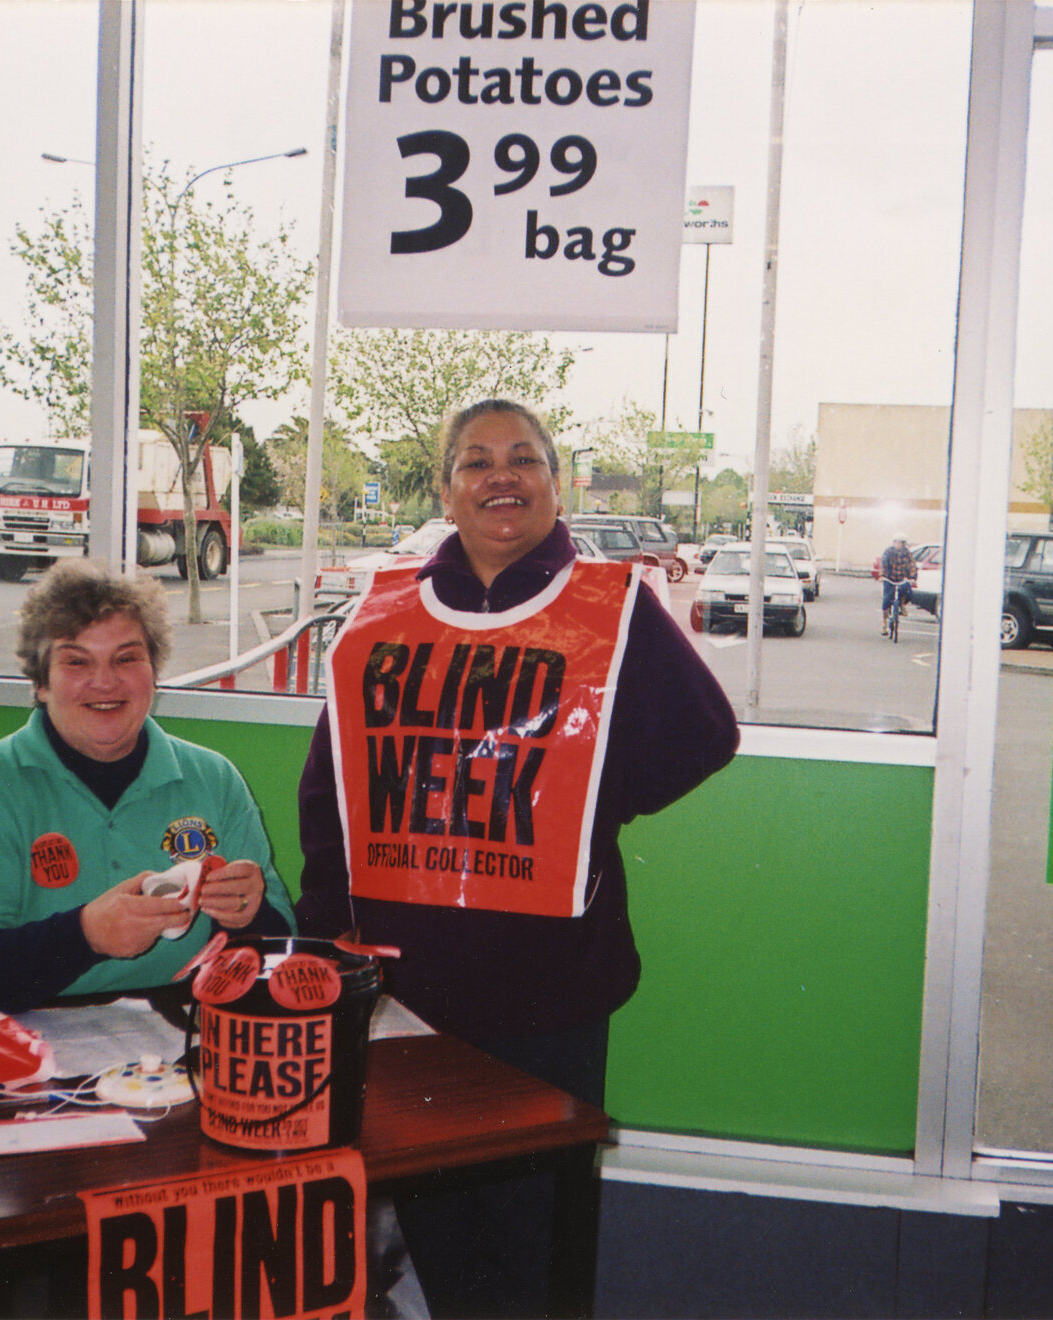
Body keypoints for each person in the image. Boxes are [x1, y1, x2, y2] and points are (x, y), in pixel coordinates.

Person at [295, 398, 738, 1316]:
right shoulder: (382, 614)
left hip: (554, 994)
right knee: (441, 1243)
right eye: (476, 461)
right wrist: (328, 926)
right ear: (446, 492)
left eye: (523, 458)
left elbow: (705, 734)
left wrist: (587, 801)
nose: (502, 476)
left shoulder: (613, 606)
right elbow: (332, 780)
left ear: (554, 481)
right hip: (412, 993)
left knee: (541, 1253)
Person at [0, 559, 294, 1016]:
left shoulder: (215, 781)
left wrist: (252, 913)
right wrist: (84, 937)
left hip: (151, 1052)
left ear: (154, 671)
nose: (105, 681)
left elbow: (279, 953)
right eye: (77, 661)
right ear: (41, 683)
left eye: (126, 658)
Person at [879, 533, 917, 634]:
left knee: (908, 592)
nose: (898, 544)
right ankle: (884, 623)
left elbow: (912, 565)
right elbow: (883, 564)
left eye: (901, 543)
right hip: (889, 578)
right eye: (896, 542)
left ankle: (902, 604)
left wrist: (912, 577)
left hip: (901, 578)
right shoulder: (888, 552)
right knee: (887, 599)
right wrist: (882, 575)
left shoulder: (907, 553)